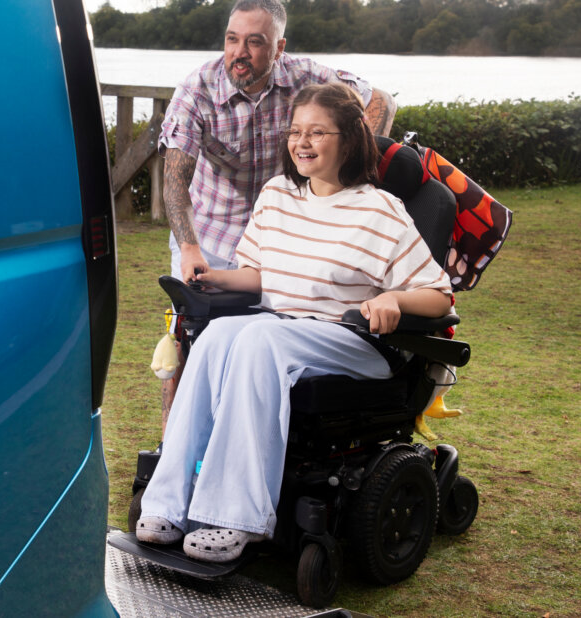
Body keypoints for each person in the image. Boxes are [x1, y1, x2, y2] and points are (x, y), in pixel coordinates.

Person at [136, 82, 452, 563]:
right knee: (218, 335)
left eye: (317, 133)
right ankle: (169, 503)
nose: (302, 142)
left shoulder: (380, 210)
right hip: (283, 327)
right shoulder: (277, 195)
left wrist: (392, 297)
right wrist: (211, 276)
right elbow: (262, 276)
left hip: (352, 339)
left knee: (261, 336)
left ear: (348, 140)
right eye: (296, 132)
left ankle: (234, 516)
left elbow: (439, 296)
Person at [159, 0, 396, 428]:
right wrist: (190, 247)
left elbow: (378, 99)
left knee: (267, 340)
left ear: (279, 47)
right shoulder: (197, 89)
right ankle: (171, 443)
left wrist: (354, 170)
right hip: (210, 231)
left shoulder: (308, 77)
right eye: (232, 39)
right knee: (186, 334)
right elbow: (175, 179)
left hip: (285, 231)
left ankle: (260, 437)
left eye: (254, 42)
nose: (240, 52)